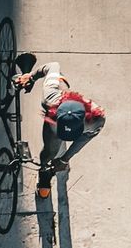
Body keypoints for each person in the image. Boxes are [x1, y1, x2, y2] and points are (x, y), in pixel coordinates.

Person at [16, 61, 106, 198]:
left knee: (58, 153)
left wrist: (65, 159)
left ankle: (51, 164)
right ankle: (44, 171)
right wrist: (31, 77)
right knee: (49, 152)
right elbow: (52, 65)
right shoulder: (50, 97)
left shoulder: (96, 119)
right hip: (54, 119)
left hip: (60, 118)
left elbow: (83, 139)